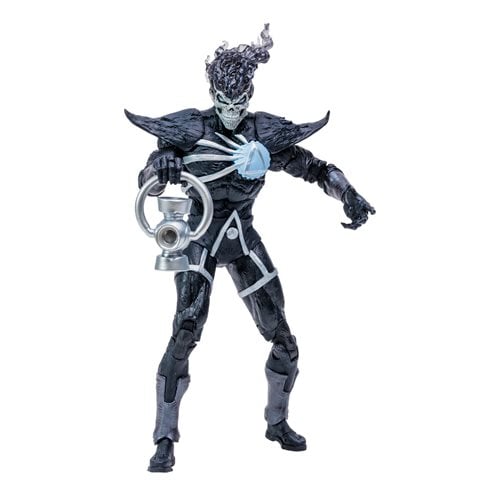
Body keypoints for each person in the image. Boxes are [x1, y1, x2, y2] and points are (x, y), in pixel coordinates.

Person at [125, 24, 375, 472]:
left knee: (284, 339)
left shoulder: (261, 136)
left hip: (241, 236)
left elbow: (314, 167)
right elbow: (146, 177)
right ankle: (164, 437)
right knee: (185, 331)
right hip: (199, 236)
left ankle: (277, 423)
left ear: (249, 97)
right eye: (224, 104)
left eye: (239, 105)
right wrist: (162, 167)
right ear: (213, 95)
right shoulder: (190, 130)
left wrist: (349, 194)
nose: (232, 113)